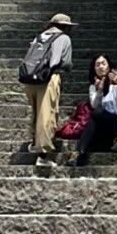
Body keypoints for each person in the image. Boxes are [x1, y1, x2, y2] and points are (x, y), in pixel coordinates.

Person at [21, 12, 75, 157]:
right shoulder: (64, 38)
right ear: (65, 27)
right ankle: (43, 152)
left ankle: (34, 141)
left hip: (30, 78)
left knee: (36, 111)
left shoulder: (39, 36)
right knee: (47, 113)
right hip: (49, 77)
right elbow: (65, 62)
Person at [75, 54, 117, 167]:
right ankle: (79, 153)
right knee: (93, 120)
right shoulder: (93, 87)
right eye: (97, 65)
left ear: (109, 66)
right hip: (104, 130)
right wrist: (99, 91)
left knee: (96, 114)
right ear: (94, 69)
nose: (101, 67)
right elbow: (95, 106)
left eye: (103, 63)